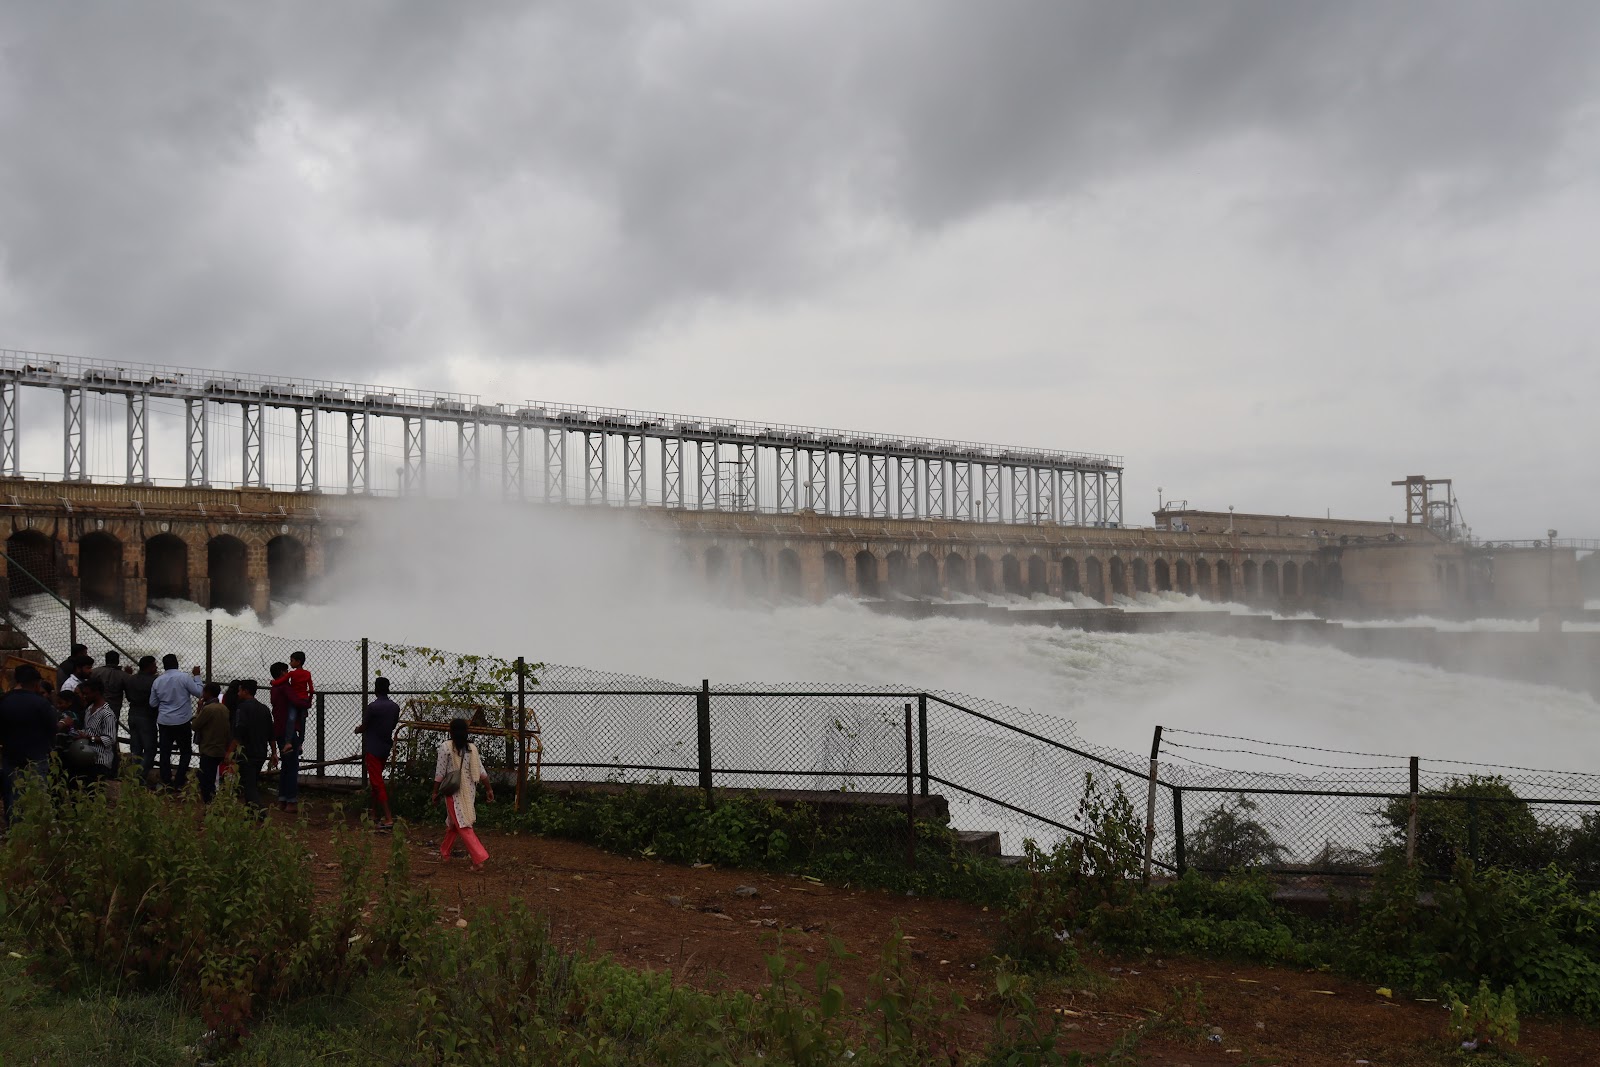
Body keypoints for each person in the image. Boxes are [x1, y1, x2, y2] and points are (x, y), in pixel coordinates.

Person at [0, 664, 68, 824]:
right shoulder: (41, 703)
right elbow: (52, 729)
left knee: (13, 794)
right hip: (36, 757)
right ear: (36, 683)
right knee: (38, 793)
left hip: (11, 756)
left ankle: (15, 829)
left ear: (17, 680)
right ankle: (37, 828)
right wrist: (62, 725)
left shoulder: (4, 701)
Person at [431, 717, 493, 870]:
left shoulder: (446, 747)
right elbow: (482, 772)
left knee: (462, 824)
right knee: (455, 823)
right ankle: (444, 852)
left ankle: (478, 859)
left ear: (451, 731)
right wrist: (489, 789)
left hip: (453, 792)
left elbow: (440, 773)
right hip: (469, 792)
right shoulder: (472, 749)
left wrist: (435, 792)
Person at [151, 653, 204, 791]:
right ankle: (179, 780)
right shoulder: (184, 677)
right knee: (185, 751)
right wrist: (197, 676)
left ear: (164, 665)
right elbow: (199, 692)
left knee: (165, 752)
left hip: (164, 721)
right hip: (182, 721)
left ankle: (166, 781)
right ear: (177, 663)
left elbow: (152, 703)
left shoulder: (158, 681)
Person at [354, 676, 400, 828]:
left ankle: (388, 818)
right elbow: (393, 725)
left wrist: (357, 730)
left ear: (375, 689)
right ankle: (374, 813)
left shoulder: (372, 707)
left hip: (373, 748)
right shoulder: (395, 707)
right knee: (376, 780)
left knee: (377, 783)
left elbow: (364, 726)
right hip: (385, 747)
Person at [231, 679, 277, 816]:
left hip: (247, 754)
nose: (238, 693)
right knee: (252, 781)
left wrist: (229, 751)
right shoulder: (264, 709)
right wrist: (274, 753)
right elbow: (271, 734)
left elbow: (239, 732)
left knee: (249, 786)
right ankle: (250, 814)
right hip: (261, 753)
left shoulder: (242, 708)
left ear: (245, 691)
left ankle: (261, 812)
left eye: (240, 691)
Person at [269, 662, 301, 812]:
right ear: (282, 673)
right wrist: (306, 701)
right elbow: (296, 701)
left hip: (278, 729)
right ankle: (291, 801)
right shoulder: (285, 687)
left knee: (285, 765)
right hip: (289, 731)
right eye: (286, 671)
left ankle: (282, 799)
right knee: (292, 766)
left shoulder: (274, 688)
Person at [191, 683, 231, 804]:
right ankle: (213, 803)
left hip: (208, 748)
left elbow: (195, 725)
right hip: (219, 748)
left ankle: (210, 803)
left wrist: (198, 709)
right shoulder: (224, 708)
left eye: (204, 692)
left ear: (208, 693)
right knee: (211, 777)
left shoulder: (208, 709)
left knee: (205, 779)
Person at [123, 656, 159, 785]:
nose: (156, 667)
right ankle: (140, 778)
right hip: (147, 716)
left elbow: (128, 696)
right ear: (149, 667)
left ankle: (133, 775)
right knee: (149, 749)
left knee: (136, 748)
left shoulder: (131, 679)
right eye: (154, 665)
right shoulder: (154, 681)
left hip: (132, 714)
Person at [75, 678, 117, 781]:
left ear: (96, 693)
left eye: (87, 694)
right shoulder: (89, 709)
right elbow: (88, 730)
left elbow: (110, 739)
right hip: (87, 758)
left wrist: (90, 738)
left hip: (100, 761)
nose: (84, 696)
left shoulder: (107, 714)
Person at [89, 651, 127, 719]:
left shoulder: (94, 672)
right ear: (118, 661)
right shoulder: (123, 675)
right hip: (114, 707)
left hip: (97, 705)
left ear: (106, 660)